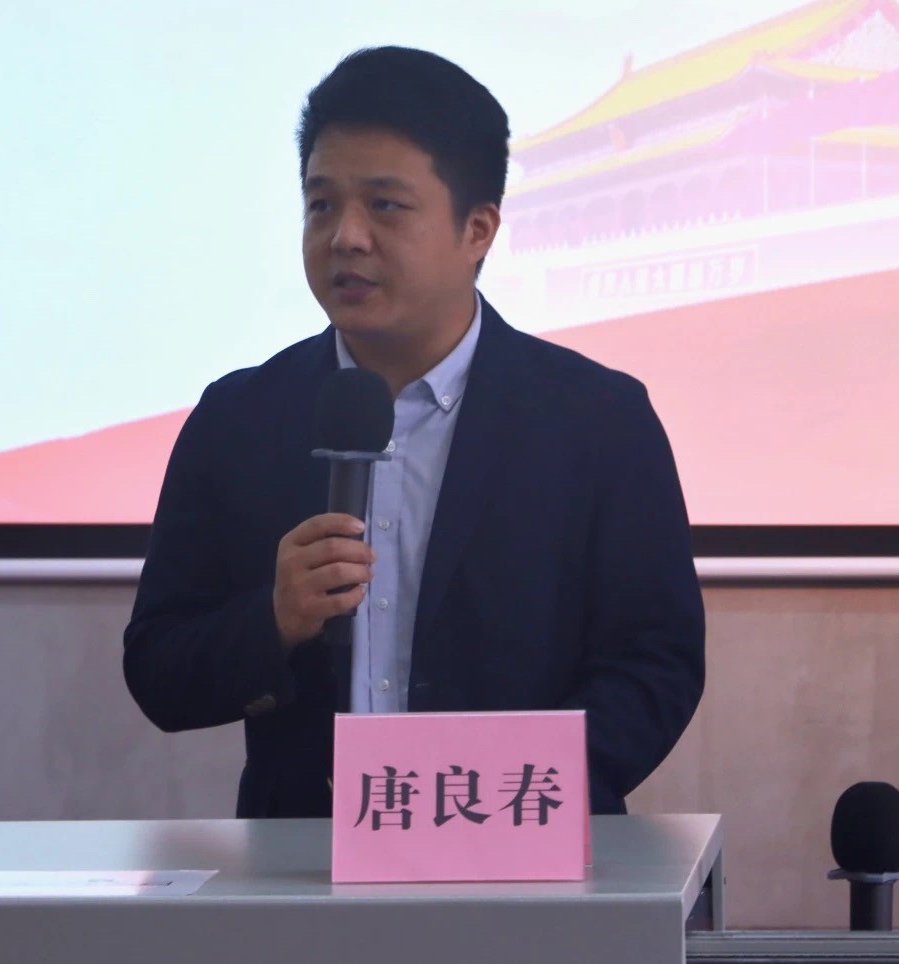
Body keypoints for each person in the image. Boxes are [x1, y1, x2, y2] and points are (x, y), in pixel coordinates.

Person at [123, 46, 704, 818]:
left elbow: (655, 667)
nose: (345, 236)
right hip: (301, 869)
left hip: (520, 857)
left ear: (477, 230)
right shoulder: (239, 419)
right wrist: (274, 620)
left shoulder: (598, 422)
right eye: (321, 205)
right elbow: (159, 673)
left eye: (385, 206)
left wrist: (493, 793)